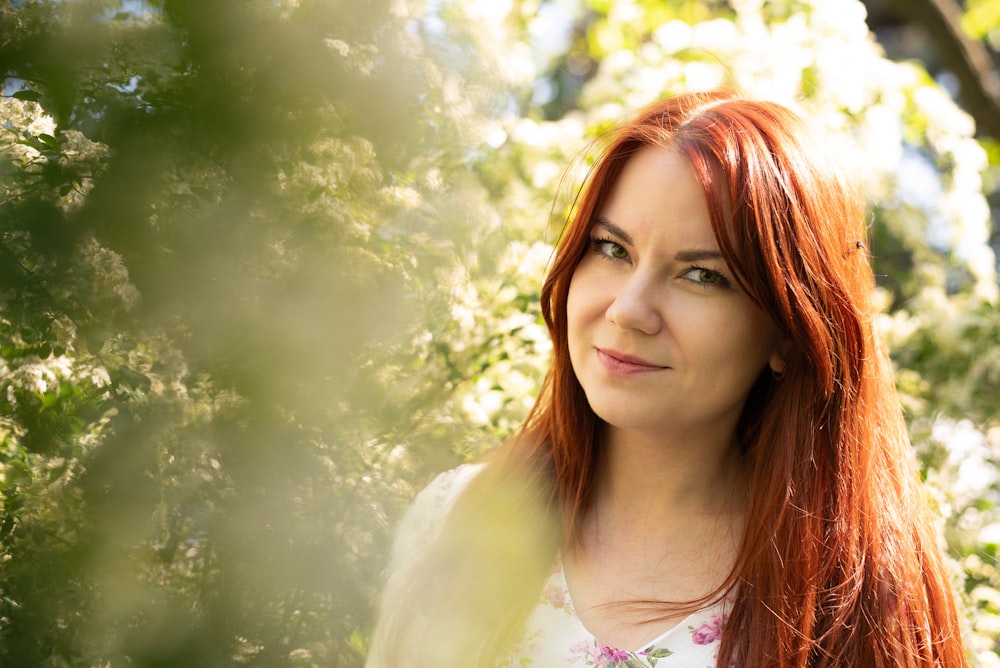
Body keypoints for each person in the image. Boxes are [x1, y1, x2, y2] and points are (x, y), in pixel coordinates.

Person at [366, 90, 968, 667]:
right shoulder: (456, 519)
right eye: (610, 248)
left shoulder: (854, 598)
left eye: (703, 276)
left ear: (789, 331)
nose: (628, 308)